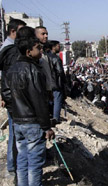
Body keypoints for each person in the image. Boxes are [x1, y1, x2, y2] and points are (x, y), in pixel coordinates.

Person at [2, 26, 55, 186]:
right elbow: (39, 101)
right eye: (38, 48)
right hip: (32, 123)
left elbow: (6, 93)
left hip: (18, 122)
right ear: (28, 52)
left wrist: (16, 108)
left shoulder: (11, 70)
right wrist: (47, 126)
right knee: (34, 164)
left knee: (22, 161)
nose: (40, 51)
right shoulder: (34, 71)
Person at [0, 18, 26, 178]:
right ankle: (13, 167)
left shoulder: (11, 48)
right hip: (13, 99)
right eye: (21, 31)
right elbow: (5, 76)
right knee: (15, 133)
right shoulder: (9, 49)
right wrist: (4, 96)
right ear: (13, 31)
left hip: (12, 97)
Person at [47, 40, 66, 123]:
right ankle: (56, 118)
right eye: (58, 46)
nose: (59, 47)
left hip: (47, 82)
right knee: (57, 100)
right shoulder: (55, 58)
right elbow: (60, 72)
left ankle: (51, 115)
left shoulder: (46, 56)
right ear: (53, 47)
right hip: (55, 82)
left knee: (50, 100)